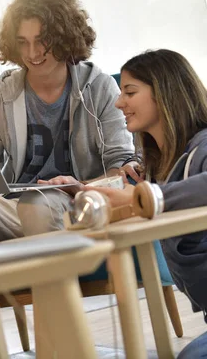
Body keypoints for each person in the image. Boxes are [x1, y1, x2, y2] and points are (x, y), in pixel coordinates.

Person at [0, 0, 133, 358]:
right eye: (23, 42)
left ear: (65, 37)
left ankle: (57, 338)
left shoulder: (99, 87)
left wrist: (78, 185)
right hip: (19, 206)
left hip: (81, 206)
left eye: (43, 41)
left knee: (40, 204)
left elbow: (123, 171)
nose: (33, 54)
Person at [85, 49, 207, 326]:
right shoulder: (158, 169)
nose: (118, 103)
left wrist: (149, 197)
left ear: (165, 93)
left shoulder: (204, 146)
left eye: (129, 92)